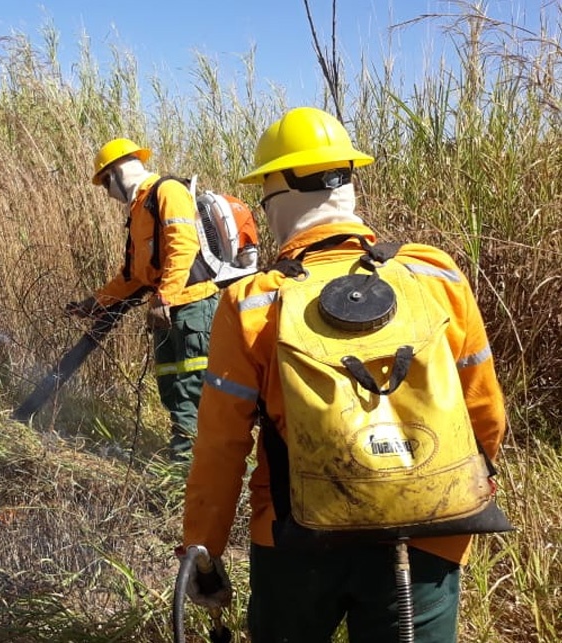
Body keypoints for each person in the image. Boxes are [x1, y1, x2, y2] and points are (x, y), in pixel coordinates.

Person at [181, 107, 507, 642]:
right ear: (349, 182)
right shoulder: (435, 274)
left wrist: (203, 550)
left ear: (276, 194)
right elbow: (485, 412)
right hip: (427, 535)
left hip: (295, 542)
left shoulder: (253, 301)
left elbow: (221, 446)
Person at [66, 138, 220, 461]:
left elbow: (183, 247)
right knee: (170, 387)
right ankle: (184, 461)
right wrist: (93, 303)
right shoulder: (138, 210)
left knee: (189, 387)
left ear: (116, 173)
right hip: (165, 311)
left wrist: (164, 297)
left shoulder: (167, 191)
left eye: (105, 183)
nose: (107, 192)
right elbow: (133, 277)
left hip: (191, 307)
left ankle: (186, 470)